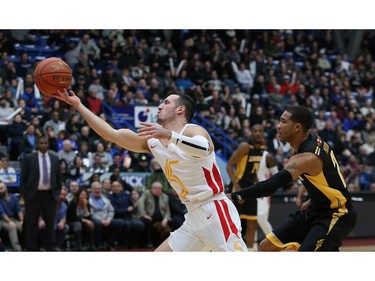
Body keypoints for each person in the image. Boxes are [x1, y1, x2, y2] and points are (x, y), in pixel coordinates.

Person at [55, 88, 247, 252]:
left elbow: (204, 148)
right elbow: (111, 134)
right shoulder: (153, 141)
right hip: (193, 216)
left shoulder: (192, 130)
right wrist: (78, 105)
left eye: (166, 102)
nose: (160, 105)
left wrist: (170, 135)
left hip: (214, 209)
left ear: (180, 109)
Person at [228, 106, 357, 251]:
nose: (278, 126)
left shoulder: (306, 158)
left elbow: (271, 185)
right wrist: (315, 198)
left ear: (297, 127)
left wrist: (233, 196)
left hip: (337, 213)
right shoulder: (312, 137)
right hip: (316, 208)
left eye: (283, 122)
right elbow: (331, 173)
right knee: (266, 247)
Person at [226, 124, 278, 251]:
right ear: (251, 133)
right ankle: (229, 249)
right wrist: (237, 187)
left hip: (250, 187)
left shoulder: (261, 148)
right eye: (255, 131)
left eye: (260, 131)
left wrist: (259, 185)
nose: (258, 133)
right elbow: (229, 166)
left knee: (252, 222)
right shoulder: (244, 146)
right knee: (235, 223)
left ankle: (250, 251)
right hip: (238, 186)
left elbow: (252, 170)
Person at [20, 136, 62, 251]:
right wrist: (24, 194)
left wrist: (57, 193)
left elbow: (59, 178)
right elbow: (23, 178)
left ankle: (50, 246)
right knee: (31, 223)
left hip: (50, 195)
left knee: (50, 222)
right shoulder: (29, 158)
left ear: (48, 144)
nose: (43, 145)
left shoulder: (54, 158)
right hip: (33, 195)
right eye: (41, 143)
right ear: (37, 145)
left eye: (45, 143)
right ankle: (32, 247)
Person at [0, 181, 23, 251]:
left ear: (6, 188)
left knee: (22, 226)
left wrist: (22, 220)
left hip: (13, 219)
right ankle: (17, 249)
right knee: (12, 227)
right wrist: (9, 222)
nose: (0, 191)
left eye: (1, 188)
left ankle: (26, 246)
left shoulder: (14, 198)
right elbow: (2, 213)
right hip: (3, 220)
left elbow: (19, 210)